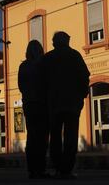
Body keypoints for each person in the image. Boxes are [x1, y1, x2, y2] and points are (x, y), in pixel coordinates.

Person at [42, 31, 90, 179]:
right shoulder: (75, 56)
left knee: (55, 137)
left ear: (54, 42)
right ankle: (67, 169)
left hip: (54, 105)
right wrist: (81, 96)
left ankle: (57, 167)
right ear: (67, 41)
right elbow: (84, 77)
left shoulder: (48, 58)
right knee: (71, 136)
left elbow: (42, 82)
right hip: (72, 105)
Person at [18, 40, 49, 179]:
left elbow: (21, 86)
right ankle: (40, 169)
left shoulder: (23, 66)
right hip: (42, 104)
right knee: (42, 137)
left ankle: (32, 169)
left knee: (32, 136)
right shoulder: (44, 65)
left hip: (29, 104)